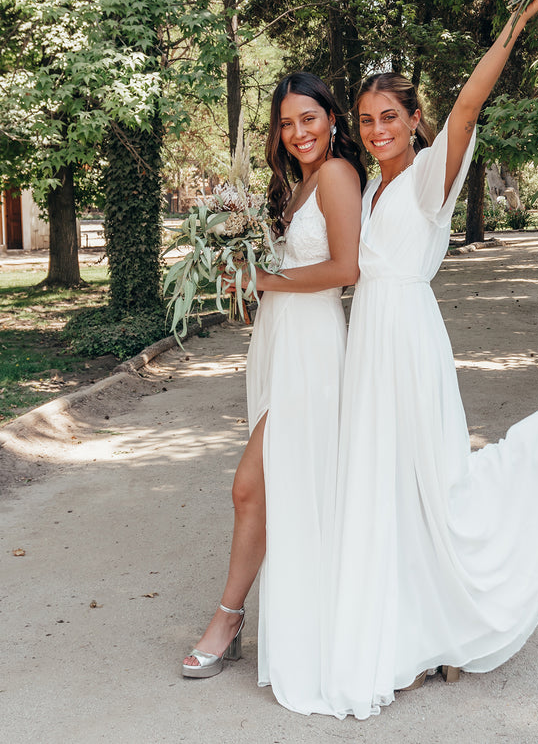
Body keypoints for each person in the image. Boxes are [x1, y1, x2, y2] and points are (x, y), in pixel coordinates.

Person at [321, 0, 538, 719]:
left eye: (389, 117)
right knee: (389, 487)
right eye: (365, 119)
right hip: (370, 340)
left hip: (409, 342)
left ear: (414, 117)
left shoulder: (434, 172)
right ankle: (425, 633)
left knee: (431, 482)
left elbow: (470, 102)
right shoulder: (369, 187)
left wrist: (522, 17)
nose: (376, 129)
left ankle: (535, 467)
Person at [182, 72, 366, 716]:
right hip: (282, 341)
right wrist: (237, 267)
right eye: (287, 123)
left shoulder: (340, 176)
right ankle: (255, 619)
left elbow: (346, 268)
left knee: (250, 485)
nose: (299, 132)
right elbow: (290, 264)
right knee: (275, 486)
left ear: (333, 119)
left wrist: (265, 275)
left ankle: (227, 621)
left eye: (309, 118)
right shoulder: (298, 185)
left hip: (313, 350)